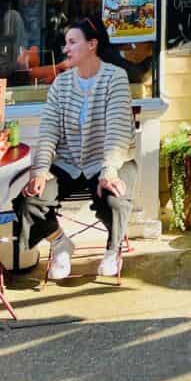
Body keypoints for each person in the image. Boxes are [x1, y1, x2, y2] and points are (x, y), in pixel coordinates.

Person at [13, 17, 136, 279]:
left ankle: (113, 250)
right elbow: (48, 132)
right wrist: (40, 170)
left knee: (114, 198)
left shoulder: (115, 78)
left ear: (92, 44)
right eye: (66, 43)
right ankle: (60, 243)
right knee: (28, 201)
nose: (66, 49)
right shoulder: (61, 84)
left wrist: (109, 170)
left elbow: (117, 131)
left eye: (72, 42)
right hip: (68, 164)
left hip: (111, 163)